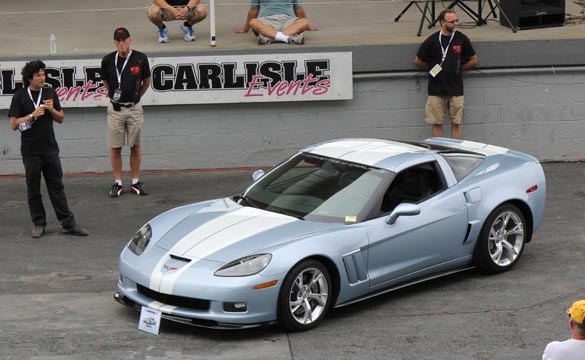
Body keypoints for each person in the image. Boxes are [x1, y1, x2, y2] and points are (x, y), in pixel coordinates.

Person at [8, 60, 89, 238]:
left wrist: (52, 110)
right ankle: (39, 223)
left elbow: (61, 118)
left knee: (56, 187)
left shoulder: (50, 92)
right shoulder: (20, 96)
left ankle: (68, 223)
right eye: (38, 75)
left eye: (43, 74)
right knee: (33, 188)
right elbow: (13, 124)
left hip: (50, 149)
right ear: (30, 78)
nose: (42, 78)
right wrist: (31, 115)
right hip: (30, 151)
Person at [100, 28, 152, 198]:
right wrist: (115, 97)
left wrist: (136, 96)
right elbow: (106, 81)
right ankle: (118, 182)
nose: (121, 43)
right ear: (114, 42)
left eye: (124, 39)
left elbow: (147, 80)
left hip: (134, 108)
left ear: (130, 40)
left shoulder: (140, 58)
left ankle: (135, 181)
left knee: (135, 146)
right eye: (118, 40)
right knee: (115, 146)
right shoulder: (108, 60)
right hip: (116, 109)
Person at [414, 9, 478, 139]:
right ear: (443, 23)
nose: (455, 23)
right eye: (452, 21)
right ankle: (440, 150)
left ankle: (455, 151)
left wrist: (459, 69)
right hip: (436, 89)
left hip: (456, 89)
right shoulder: (432, 40)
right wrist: (432, 69)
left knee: (456, 123)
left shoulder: (461, 39)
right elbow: (418, 60)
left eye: (456, 20)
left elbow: (474, 60)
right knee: (437, 123)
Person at [235, 0, 319, 45]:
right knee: (253, 22)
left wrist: (308, 26)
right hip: (267, 21)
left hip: (287, 21)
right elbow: (254, 10)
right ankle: (289, 38)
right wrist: (245, 28)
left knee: (304, 21)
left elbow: (298, 8)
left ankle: (270, 38)